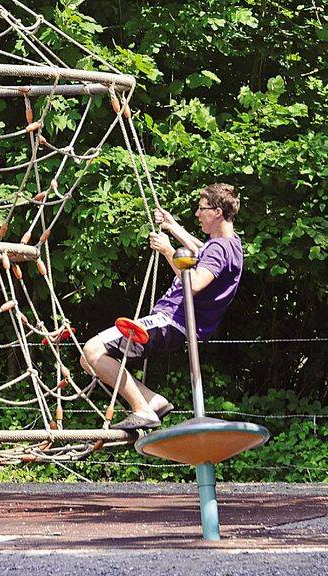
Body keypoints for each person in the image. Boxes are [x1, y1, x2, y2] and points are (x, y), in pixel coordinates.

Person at [80, 183, 244, 431]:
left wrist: (168, 250)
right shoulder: (230, 244)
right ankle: (152, 401)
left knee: (91, 352)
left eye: (202, 209)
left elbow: (195, 283)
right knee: (91, 355)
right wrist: (172, 226)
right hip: (177, 325)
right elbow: (202, 250)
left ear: (217, 212)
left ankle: (143, 410)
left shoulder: (219, 248)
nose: (197, 214)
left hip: (171, 319)